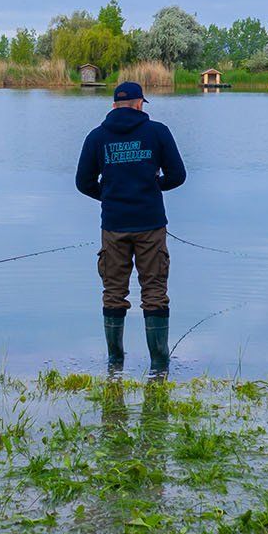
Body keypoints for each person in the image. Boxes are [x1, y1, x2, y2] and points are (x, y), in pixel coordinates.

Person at [75, 80, 187, 376]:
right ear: (140, 104)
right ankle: (159, 366)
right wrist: (152, 188)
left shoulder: (97, 137)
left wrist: (111, 194)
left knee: (113, 292)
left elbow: (82, 183)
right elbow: (178, 175)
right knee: (154, 292)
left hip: (113, 225)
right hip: (150, 224)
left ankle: (115, 364)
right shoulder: (158, 132)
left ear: (114, 105)